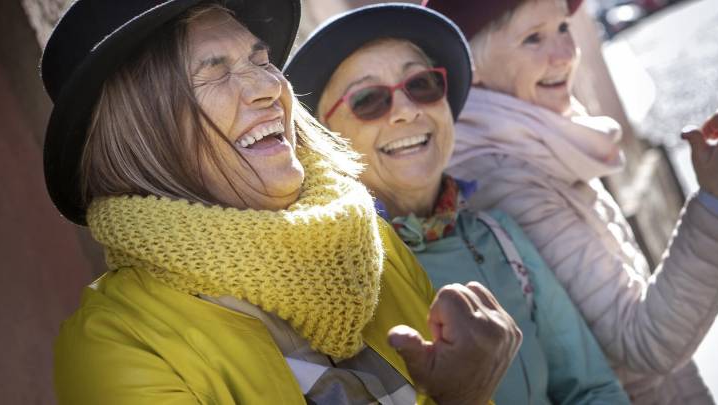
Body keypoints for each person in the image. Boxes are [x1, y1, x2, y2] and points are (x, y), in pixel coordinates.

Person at [42, 1, 523, 403]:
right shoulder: (117, 346)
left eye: (260, 60)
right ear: (138, 134)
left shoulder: (365, 237)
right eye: (214, 73)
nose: (271, 87)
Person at [284, 4, 629, 404]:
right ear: (325, 139)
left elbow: (593, 389)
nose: (408, 110)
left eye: (422, 84)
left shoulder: (499, 234)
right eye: (368, 100)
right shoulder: (331, 293)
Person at [424, 0, 718, 403]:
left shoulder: (534, 137)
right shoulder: (506, 180)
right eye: (533, 38)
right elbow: (643, 344)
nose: (565, 54)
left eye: (563, 28)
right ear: (472, 66)